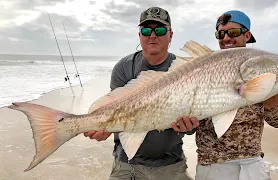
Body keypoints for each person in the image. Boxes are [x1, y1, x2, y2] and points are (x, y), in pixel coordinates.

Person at [83, 6, 199, 180]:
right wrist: (103, 128)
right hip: (127, 165)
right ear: (139, 35)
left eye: (159, 30)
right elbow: (116, 111)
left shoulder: (187, 69)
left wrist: (191, 127)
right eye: (146, 30)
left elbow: (194, 117)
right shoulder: (123, 67)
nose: (153, 35)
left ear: (171, 35)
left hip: (171, 164)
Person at [195, 10, 278, 180]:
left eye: (233, 32)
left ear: (247, 35)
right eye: (220, 34)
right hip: (212, 164)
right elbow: (191, 121)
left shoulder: (262, 67)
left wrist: (272, 105)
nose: (226, 38)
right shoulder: (204, 68)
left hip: (252, 163)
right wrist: (186, 125)